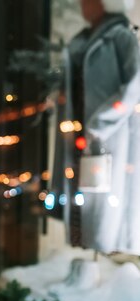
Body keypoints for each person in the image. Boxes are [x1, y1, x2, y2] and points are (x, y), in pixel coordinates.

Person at [53, 0, 140, 255]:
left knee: (102, 200)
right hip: (78, 130)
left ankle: (98, 261)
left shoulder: (122, 37)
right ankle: (85, 260)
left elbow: (134, 86)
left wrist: (100, 123)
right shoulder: (82, 40)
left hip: (106, 134)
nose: (83, 4)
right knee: (82, 197)